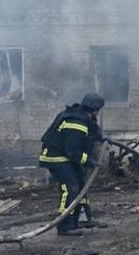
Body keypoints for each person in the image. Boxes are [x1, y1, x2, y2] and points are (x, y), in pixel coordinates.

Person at [38, 93, 104, 236]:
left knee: (80, 185)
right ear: (96, 110)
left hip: (66, 157)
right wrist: (89, 161)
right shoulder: (76, 123)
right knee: (71, 189)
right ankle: (65, 225)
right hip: (57, 158)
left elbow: (91, 129)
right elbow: (72, 151)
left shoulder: (79, 116)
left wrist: (101, 136)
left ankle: (82, 219)